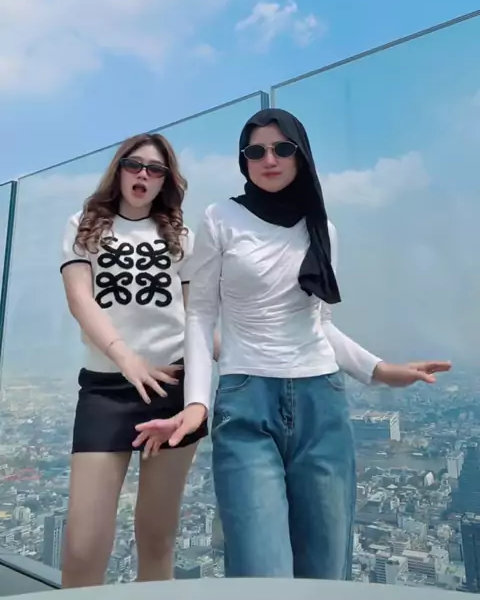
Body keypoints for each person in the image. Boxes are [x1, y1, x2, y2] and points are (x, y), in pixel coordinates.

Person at [133, 109, 451, 580]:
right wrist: (197, 404)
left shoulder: (323, 229)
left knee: (326, 569)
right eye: (256, 151)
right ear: (243, 160)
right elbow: (199, 315)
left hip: (322, 402)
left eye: (282, 148)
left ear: (300, 155)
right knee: (261, 570)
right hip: (246, 402)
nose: (269, 159)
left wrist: (381, 371)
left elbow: (320, 323)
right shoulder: (221, 217)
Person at [60, 132, 214, 587]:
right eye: (134, 164)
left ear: (166, 180)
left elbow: (196, 317)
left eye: (155, 169)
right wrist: (127, 358)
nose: (143, 174)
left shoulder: (181, 237)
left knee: (157, 537)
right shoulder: (84, 226)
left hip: (172, 388)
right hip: (106, 388)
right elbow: (80, 300)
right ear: (119, 169)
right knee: (83, 547)